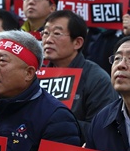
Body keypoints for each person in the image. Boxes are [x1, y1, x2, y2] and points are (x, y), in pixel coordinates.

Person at [42, 10, 117, 141]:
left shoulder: (97, 79)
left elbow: (103, 130)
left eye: (57, 34)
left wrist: (59, 125)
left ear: (77, 42)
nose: (48, 40)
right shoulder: (37, 75)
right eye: (46, 33)